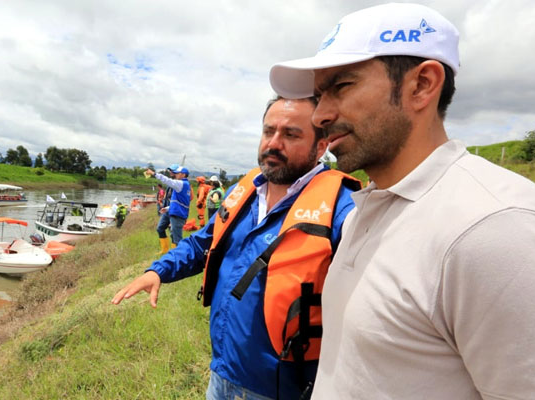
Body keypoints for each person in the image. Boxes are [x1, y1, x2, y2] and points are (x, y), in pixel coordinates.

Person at [269, 3, 535, 399]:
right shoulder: (366, 210)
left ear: (421, 85)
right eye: (319, 95)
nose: (319, 115)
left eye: (341, 86)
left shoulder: (496, 227)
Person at [113, 97, 360, 399]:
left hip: (282, 389)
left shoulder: (343, 207)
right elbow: (203, 242)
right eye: (269, 132)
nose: (274, 143)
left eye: (291, 134)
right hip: (222, 373)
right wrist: (158, 271)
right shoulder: (243, 193)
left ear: (321, 147)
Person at [148, 165, 191, 248]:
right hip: (175, 212)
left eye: (177, 173)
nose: (175, 175)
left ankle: (179, 257)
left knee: (177, 239)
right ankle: (170, 252)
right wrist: (168, 208)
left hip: (178, 214)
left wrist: (154, 173)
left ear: (183, 174)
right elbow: (178, 202)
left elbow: (167, 180)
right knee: (174, 236)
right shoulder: (184, 184)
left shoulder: (181, 183)